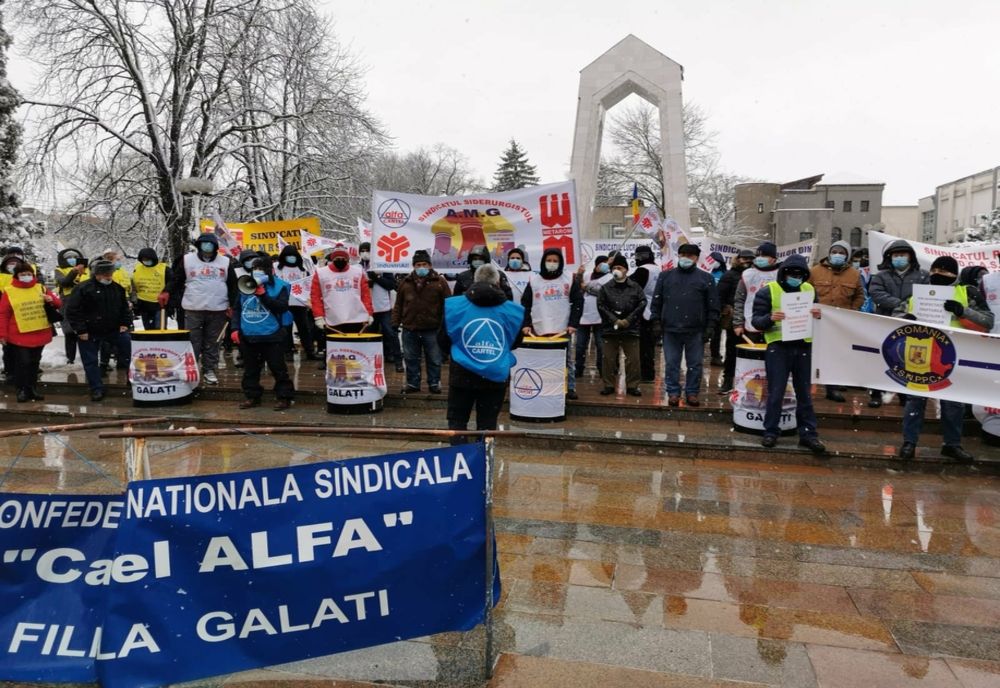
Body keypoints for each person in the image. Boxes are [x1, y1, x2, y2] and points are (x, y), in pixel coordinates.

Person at [893, 256, 993, 463]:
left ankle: (952, 445)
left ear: (955, 274)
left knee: (953, 403)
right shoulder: (918, 294)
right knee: (914, 401)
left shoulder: (967, 292)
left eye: (945, 271)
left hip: (953, 356)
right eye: (935, 269)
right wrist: (905, 319)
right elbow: (895, 317)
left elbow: (988, 321)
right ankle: (909, 443)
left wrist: (962, 311)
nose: (939, 274)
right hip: (920, 355)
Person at [750, 253, 826, 454]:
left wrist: (818, 315)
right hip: (779, 347)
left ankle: (809, 434)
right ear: (783, 273)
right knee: (776, 392)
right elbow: (756, 321)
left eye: (800, 274)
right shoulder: (769, 291)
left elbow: (818, 317)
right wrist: (770, 318)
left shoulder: (809, 289)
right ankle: (771, 432)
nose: (796, 277)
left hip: (803, 346)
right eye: (792, 273)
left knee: (804, 393)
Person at [440, 263, 524, 441]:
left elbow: (443, 339)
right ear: (498, 283)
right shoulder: (512, 311)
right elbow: (516, 341)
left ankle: (459, 462)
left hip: (462, 374)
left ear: (474, 281)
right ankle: (484, 463)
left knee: (457, 423)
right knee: (487, 425)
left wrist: (462, 353)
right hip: (494, 375)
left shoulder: (454, 306)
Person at [649, 243, 719, 407]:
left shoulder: (706, 278)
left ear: (696, 258)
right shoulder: (665, 276)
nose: (686, 258)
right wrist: (656, 321)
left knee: (695, 364)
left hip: (696, 330)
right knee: (672, 363)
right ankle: (673, 392)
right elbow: (656, 302)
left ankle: (692, 392)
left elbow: (713, 305)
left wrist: (710, 326)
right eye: (683, 255)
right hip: (670, 329)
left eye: (690, 256)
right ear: (678, 256)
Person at [165, 233, 238, 385]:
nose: (207, 247)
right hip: (193, 307)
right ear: (198, 245)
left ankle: (209, 369)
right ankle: (190, 368)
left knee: (213, 341)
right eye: (203, 243)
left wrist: (232, 305)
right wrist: (166, 291)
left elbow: (233, 286)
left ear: (216, 247)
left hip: (218, 308)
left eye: (210, 244)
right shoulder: (187, 260)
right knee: (192, 341)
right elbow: (177, 280)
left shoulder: (225, 262)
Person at [867, 239, 929, 408]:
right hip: (885, 321)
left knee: (906, 359)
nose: (899, 258)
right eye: (895, 255)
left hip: (911, 324)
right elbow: (876, 293)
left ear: (910, 256)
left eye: (902, 254)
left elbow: (925, 296)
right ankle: (876, 393)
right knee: (880, 359)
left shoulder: (923, 275)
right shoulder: (880, 276)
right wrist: (900, 304)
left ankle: (904, 394)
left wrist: (909, 306)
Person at [231, 257, 294, 411]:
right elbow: (237, 309)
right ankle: (252, 396)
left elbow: (281, 307)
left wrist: (263, 295)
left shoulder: (280, 286)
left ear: (269, 270)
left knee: (278, 368)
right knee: (251, 369)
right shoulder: (244, 284)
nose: (257, 271)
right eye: (255, 268)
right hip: (248, 334)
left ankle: (284, 397)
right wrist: (234, 329)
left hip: (272, 335)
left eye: (261, 268)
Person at [521, 247, 583, 400]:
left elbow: (578, 302)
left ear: (560, 262)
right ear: (543, 262)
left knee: (566, 359)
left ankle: (569, 387)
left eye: (555, 261)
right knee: (542, 359)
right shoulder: (534, 280)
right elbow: (525, 304)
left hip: (562, 328)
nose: (552, 263)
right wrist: (526, 324)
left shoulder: (569, 279)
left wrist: (573, 323)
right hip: (539, 328)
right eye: (549, 260)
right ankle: (543, 384)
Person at [66, 260, 132, 402]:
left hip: (114, 329)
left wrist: (125, 323)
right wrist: (81, 329)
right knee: (90, 360)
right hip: (89, 331)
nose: (108, 277)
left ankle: (132, 380)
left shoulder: (117, 288)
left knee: (128, 353)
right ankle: (96, 388)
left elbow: (124, 308)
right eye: (105, 274)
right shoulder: (83, 288)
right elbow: (73, 311)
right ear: (97, 274)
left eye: (110, 274)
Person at [808, 240, 865, 402]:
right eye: (835, 252)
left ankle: (832, 388)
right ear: (829, 253)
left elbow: (860, 295)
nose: (837, 255)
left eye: (842, 253)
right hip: (818, 320)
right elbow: (806, 292)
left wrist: (851, 310)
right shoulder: (814, 272)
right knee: (814, 354)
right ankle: (809, 385)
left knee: (836, 355)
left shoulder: (854, 274)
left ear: (847, 256)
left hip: (841, 321)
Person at [0, 262, 61, 402]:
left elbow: (58, 304)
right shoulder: (9, 291)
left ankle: (32, 389)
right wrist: (2, 334)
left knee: (34, 362)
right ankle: (21, 389)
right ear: (16, 276)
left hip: (39, 331)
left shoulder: (41, 288)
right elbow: (3, 314)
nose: (26, 276)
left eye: (28, 274)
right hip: (18, 334)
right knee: (23, 362)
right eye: (22, 274)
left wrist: (50, 299)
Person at [393, 249, 450, 394]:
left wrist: (445, 324)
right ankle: (413, 383)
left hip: (432, 328)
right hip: (410, 327)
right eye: (418, 264)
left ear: (430, 265)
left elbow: (448, 305)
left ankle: (434, 383)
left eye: (424, 264)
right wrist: (395, 322)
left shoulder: (440, 282)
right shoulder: (405, 283)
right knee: (411, 358)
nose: (421, 267)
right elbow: (398, 304)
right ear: (413, 266)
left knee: (434, 358)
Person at [310, 243, 373, 358]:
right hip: (333, 319)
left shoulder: (358, 272)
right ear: (333, 259)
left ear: (348, 259)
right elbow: (315, 296)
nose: (341, 260)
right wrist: (318, 316)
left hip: (355, 318)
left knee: (355, 351)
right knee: (335, 351)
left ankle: (356, 372)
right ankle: (334, 373)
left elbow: (365, 295)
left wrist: (369, 313)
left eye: (344, 258)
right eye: (338, 258)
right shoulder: (321, 273)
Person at [597, 253, 646, 396]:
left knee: (634, 360)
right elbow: (601, 305)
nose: (616, 270)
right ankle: (608, 385)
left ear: (626, 269)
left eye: (619, 267)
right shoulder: (605, 288)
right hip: (610, 329)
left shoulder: (635, 287)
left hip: (631, 330)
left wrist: (628, 320)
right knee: (608, 359)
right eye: (614, 267)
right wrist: (614, 320)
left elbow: (642, 303)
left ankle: (632, 386)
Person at [360, 241, 403, 372]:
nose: (365, 253)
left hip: (383, 307)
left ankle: (398, 361)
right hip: (366, 309)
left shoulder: (383, 266)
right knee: (368, 335)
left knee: (390, 333)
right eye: (363, 250)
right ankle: (368, 361)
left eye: (368, 250)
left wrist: (377, 278)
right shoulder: (356, 267)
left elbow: (391, 284)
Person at [717, 249, 754, 392]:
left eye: (750, 259)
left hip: (753, 320)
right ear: (738, 259)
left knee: (750, 352)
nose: (747, 262)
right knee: (732, 351)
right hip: (734, 319)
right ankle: (728, 381)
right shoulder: (730, 275)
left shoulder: (755, 275)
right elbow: (720, 295)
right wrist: (724, 309)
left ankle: (746, 381)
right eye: (744, 259)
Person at [275, 243, 320, 360]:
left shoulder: (303, 268)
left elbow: (308, 284)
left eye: (293, 255)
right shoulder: (277, 268)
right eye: (288, 255)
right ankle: (287, 351)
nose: (291, 257)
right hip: (284, 303)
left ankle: (310, 351)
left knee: (304, 329)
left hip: (300, 303)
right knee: (286, 329)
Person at [733, 241, 781, 343]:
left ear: (773, 258)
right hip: (751, 324)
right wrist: (738, 323)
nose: (760, 258)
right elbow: (739, 300)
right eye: (758, 255)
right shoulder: (748, 275)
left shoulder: (781, 274)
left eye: (764, 255)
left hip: (777, 325)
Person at [628, 245, 661, 382]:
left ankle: (645, 374)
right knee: (649, 345)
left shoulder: (642, 270)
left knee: (643, 346)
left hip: (643, 311)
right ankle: (648, 373)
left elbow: (629, 286)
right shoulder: (658, 269)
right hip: (656, 309)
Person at [576, 255, 611, 378]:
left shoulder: (610, 278)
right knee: (580, 345)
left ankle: (602, 370)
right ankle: (578, 369)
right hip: (584, 315)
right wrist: (579, 276)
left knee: (601, 346)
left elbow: (604, 293)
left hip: (601, 316)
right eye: (602, 263)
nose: (604, 265)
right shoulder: (586, 275)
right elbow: (577, 289)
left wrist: (586, 287)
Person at [54, 247, 89, 364]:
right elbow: (64, 282)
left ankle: (86, 357)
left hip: (84, 301)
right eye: (69, 258)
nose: (72, 259)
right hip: (67, 301)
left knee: (83, 330)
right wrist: (74, 271)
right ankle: (70, 358)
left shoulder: (87, 269)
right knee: (69, 331)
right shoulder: (59, 270)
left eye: (75, 257)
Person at [132, 247, 172, 330]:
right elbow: (133, 285)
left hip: (160, 304)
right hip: (144, 304)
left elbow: (172, 282)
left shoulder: (164, 269)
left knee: (160, 328)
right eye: (143, 259)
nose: (145, 261)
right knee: (148, 329)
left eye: (147, 259)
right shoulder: (137, 269)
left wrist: (166, 291)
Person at [706, 251, 727, 367]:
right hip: (704, 307)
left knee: (716, 334)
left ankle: (715, 355)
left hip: (718, 307)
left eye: (717, 261)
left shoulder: (724, 274)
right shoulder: (705, 272)